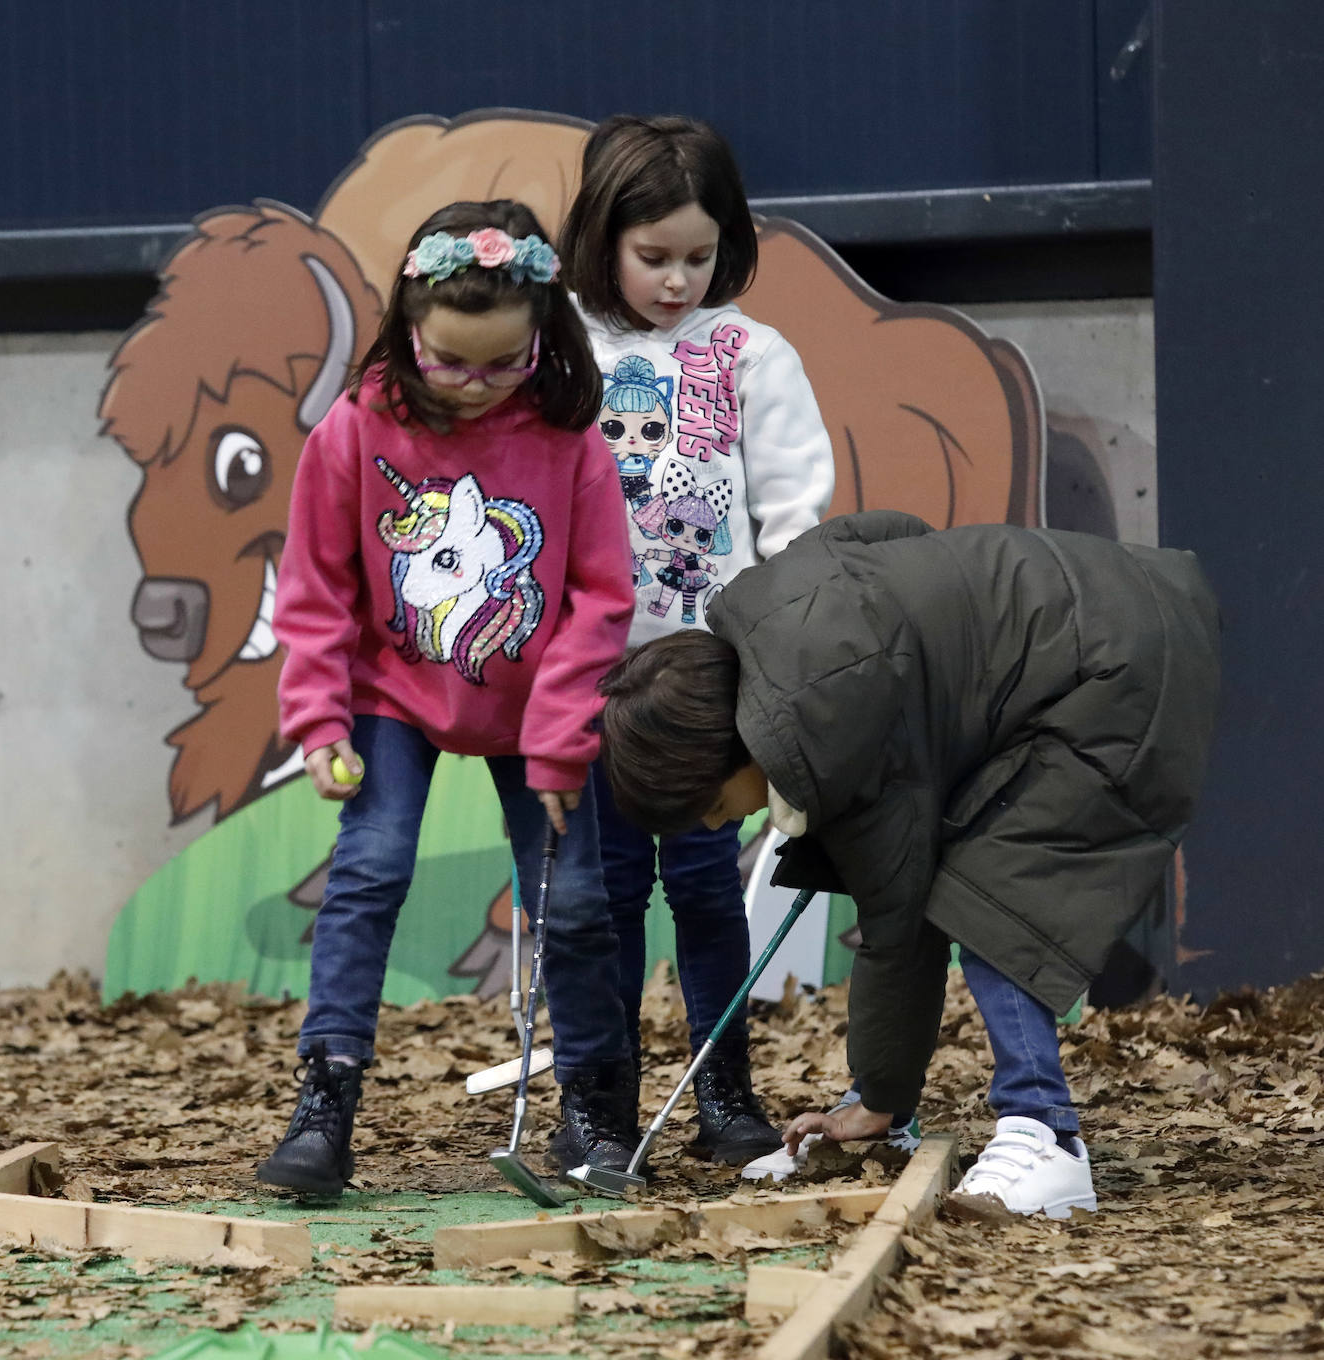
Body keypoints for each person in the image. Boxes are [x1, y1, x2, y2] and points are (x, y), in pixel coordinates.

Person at [597, 510, 1221, 1217]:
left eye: (708, 805)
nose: (718, 822)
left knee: (997, 899)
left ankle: (1045, 1139)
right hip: (1104, 611)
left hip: (1117, 668)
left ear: (721, 750)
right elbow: (887, 530)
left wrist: (879, 1097)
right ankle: (917, 1115)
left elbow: (901, 933)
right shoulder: (774, 624)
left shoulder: (833, 724)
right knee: (974, 879)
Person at [258, 200, 639, 1197]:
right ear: (409, 328)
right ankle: (325, 1101)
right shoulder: (357, 429)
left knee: (582, 899)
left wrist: (561, 740)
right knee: (369, 869)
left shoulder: (569, 441)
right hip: (392, 694)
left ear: (543, 337)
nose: (474, 386)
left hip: (535, 715)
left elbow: (601, 597)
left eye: (501, 364)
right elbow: (316, 588)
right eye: (451, 361)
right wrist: (319, 719)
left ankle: (595, 1107)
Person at [558, 115, 836, 1163]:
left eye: (700, 256)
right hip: (589, 682)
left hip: (712, 690)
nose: (678, 281)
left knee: (709, 889)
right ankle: (598, 1105)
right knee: (600, 900)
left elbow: (794, 514)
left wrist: (776, 662)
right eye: (653, 257)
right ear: (601, 237)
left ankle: (724, 1094)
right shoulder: (561, 350)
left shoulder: (753, 355)